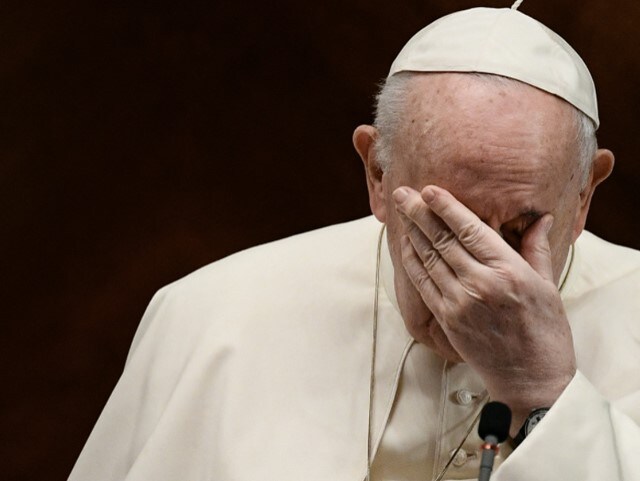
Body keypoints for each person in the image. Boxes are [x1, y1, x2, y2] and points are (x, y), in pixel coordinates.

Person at [69, 4, 640, 481]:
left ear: (584, 194)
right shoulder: (210, 312)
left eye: (519, 229)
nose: (477, 284)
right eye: (442, 225)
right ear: (377, 173)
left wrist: (543, 391)